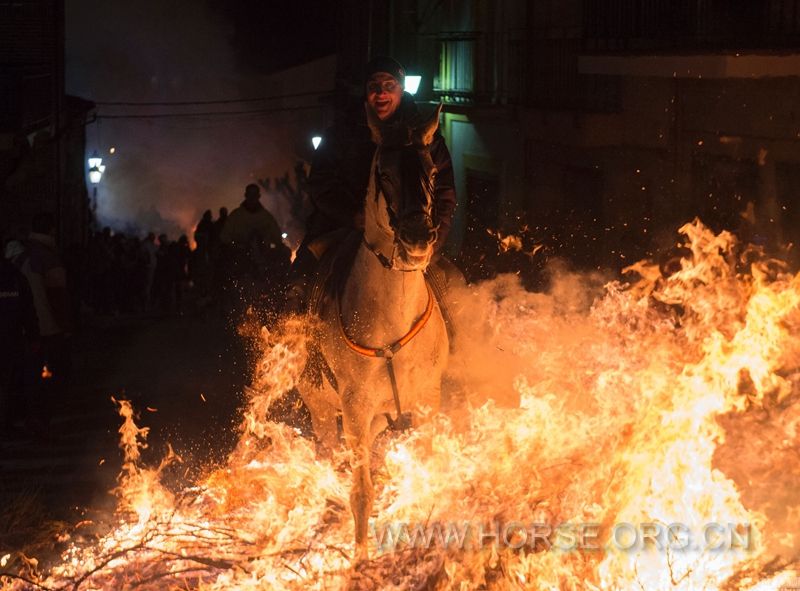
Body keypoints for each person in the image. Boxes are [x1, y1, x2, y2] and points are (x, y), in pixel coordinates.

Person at [286, 55, 457, 311]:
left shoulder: (425, 138)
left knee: (453, 291)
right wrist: (351, 215)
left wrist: (434, 239)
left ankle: (460, 346)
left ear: (401, 91)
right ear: (365, 92)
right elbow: (320, 183)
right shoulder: (343, 132)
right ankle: (292, 339)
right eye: (374, 86)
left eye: (389, 86)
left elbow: (444, 192)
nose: (381, 93)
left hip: (410, 232)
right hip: (342, 227)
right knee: (300, 283)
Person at [219, 184, 291, 313]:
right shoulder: (236, 216)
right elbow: (225, 237)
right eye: (250, 196)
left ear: (258, 197)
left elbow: (277, 239)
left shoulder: (266, 217)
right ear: (246, 196)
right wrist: (237, 246)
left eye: (254, 196)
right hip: (240, 257)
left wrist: (275, 249)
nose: (252, 199)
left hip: (263, 258)